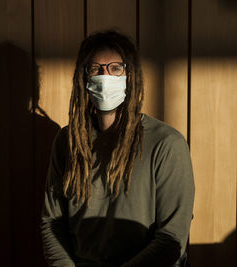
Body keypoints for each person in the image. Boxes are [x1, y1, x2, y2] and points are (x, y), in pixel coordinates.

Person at [41, 30, 195, 267]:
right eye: (95, 69)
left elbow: (171, 237)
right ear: (83, 78)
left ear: (130, 76)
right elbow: (52, 222)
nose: (105, 77)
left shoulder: (166, 144)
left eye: (115, 69)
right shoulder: (67, 141)